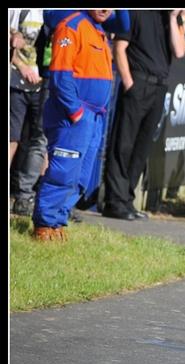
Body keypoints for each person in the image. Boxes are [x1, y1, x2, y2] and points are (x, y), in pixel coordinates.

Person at [30, 10, 115, 241]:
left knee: (82, 177)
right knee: (63, 171)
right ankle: (44, 224)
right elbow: (60, 75)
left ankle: (58, 222)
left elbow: (125, 20)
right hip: (74, 115)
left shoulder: (99, 30)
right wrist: (76, 112)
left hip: (95, 117)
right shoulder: (71, 26)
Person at [102, 10, 185, 221]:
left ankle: (127, 199)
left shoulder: (173, 19)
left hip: (159, 87)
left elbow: (179, 51)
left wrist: (172, 18)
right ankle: (114, 201)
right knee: (123, 144)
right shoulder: (136, 12)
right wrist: (129, 83)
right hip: (138, 82)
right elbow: (119, 48)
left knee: (142, 147)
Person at [9, 9, 44, 216]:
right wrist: (21, 66)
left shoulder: (50, 14)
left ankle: (31, 196)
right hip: (16, 81)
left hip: (43, 84)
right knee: (11, 138)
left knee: (41, 140)